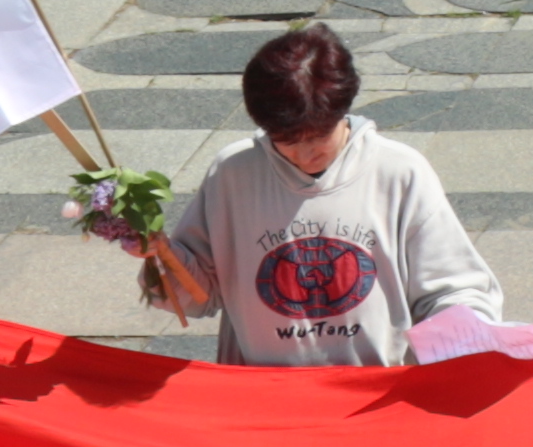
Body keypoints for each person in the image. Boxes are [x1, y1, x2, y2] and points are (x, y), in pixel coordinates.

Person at [139, 25, 505, 366]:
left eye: (316, 138)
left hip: (373, 389)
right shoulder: (234, 173)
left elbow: (453, 287)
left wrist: (467, 333)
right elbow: (199, 295)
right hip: (264, 390)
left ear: (341, 111)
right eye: (285, 141)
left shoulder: (398, 171)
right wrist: (160, 258)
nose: (302, 155)